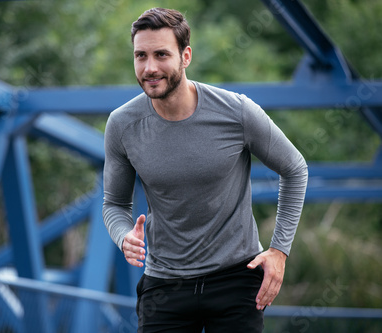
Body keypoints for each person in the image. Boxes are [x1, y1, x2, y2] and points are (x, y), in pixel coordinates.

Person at [102, 7, 308, 333]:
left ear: (186, 56)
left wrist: (279, 251)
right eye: (140, 56)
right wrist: (123, 235)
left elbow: (295, 168)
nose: (149, 67)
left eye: (161, 55)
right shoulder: (122, 124)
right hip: (165, 285)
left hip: (236, 279)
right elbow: (114, 204)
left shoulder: (237, 112)